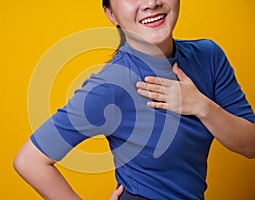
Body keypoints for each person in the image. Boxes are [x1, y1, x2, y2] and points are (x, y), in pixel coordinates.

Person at [13, 0, 255, 199]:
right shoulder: (111, 85)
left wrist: (202, 106)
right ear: (111, 14)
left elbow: (251, 145)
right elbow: (29, 161)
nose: (151, 3)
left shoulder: (208, 57)